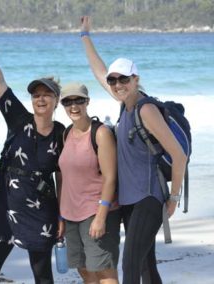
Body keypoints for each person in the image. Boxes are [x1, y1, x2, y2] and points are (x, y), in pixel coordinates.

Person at [78, 16, 188, 283]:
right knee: (145, 266)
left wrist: (173, 198)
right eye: (114, 81)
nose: (117, 85)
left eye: (123, 79)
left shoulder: (145, 109)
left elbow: (179, 155)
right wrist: (85, 36)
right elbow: (99, 71)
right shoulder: (124, 105)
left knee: (129, 265)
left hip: (148, 197)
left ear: (135, 78)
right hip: (129, 200)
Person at [0, 26, 65, 284]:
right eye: (36, 95)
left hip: (41, 212)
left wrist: (62, 215)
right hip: (6, 209)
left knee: (42, 277)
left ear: (56, 100)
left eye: (46, 95)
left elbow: (63, 177)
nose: (40, 99)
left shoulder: (62, 134)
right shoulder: (18, 120)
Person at [59, 82, 120, 283]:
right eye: (68, 101)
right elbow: (64, 177)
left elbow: (110, 177)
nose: (73, 106)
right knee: (84, 269)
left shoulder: (101, 133)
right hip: (71, 215)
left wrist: (101, 217)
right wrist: (61, 215)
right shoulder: (66, 133)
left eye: (79, 100)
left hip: (96, 212)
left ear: (87, 102)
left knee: (104, 271)